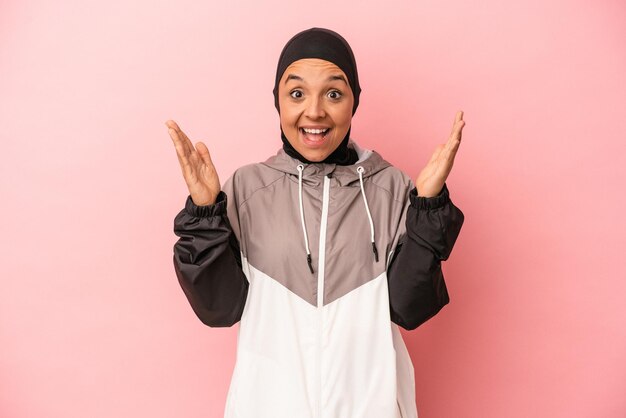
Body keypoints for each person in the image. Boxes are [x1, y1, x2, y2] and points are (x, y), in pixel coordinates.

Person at [167, 27, 465, 418]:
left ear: (354, 102)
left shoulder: (392, 188)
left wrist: (427, 206)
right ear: (277, 102)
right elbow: (219, 308)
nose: (315, 111)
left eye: (334, 93)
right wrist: (206, 212)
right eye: (296, 93)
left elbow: (409, 308)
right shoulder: (247, 188)